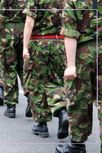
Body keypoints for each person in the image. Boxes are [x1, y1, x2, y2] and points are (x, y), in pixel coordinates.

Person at [55, 0, 102, 152]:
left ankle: (77, 144)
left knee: (79, 98)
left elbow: (70, 33)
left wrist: (70, 66)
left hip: (84, 54)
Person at [22, 0, 68, 138]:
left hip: (39, 42)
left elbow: (30, 22)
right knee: (57, 81)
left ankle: (42, 124)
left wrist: (25, 46)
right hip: (60, 42)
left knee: (37, 83)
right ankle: (61, 109)